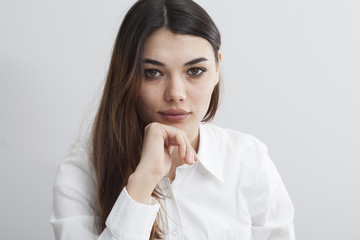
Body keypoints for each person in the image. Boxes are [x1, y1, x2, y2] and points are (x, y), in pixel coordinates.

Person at [50, 0, 295, 239]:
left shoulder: (249, 161)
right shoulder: (85, 168)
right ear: (127, 75)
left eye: (195, 71)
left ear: (217, 67)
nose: (175, 93)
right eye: (153, 73)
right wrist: (144, 180)